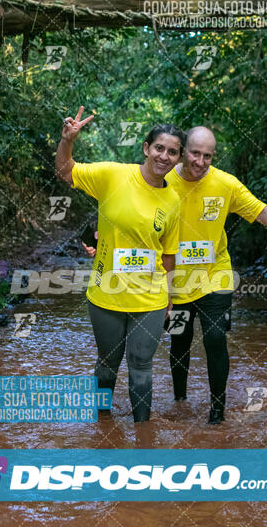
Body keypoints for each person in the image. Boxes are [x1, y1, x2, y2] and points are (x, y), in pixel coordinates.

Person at [167, 126, 267, 424]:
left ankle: (216, 413)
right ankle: (179, 401)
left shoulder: (225, 184)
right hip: (174, 279)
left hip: (215, 276)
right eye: (195, 153)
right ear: (182, 151)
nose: (200, 162)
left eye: (207, 156)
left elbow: (259, 211)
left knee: (215, 339)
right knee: (180, 338)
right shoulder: (164, 180)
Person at [55, 107, 184, 422]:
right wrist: (67, 141)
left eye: (172, 152)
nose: (164, 156)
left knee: (141, 365)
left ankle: (142, 436)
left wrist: (169, 298)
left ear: (179, 159)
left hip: (150, 298)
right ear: (145, 148)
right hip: (106, 292)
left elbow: (168, 255)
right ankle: (103, 427)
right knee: (107, 363)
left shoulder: (173, 201)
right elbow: (65, 170)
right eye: (159, 148)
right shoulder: (113, 174)